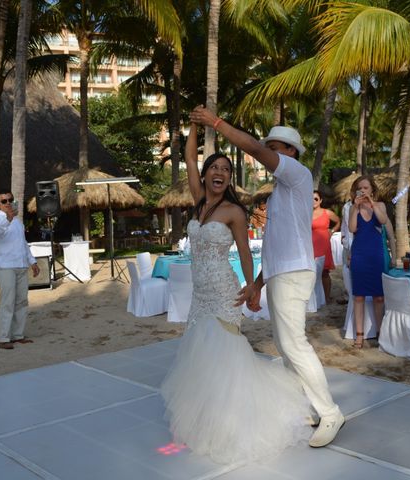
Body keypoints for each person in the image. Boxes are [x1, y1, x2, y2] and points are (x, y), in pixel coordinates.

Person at [190, 106, 345, 449]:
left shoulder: (299, 174)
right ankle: (308, 407)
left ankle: (330, 412)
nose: (269, 153)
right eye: (270, 146)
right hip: (279, 273)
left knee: (294, 344)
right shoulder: (279, 194)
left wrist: (216, 124)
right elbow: (274, 246)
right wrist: (257, 285)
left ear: (291, 153)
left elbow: (254, 150)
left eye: (276, 147)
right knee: (288, 348)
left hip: (293, 273)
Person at [160, 121, 312, 464]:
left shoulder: (234, 212)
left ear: (229, 179)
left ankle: (233, 421)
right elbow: (188, 157)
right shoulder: (199, 202)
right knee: (201, 355)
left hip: (225, 292)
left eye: (226, 170)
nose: (219, 173)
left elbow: (245, 252)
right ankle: (207, 417)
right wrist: (196, 128)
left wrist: (251, 287)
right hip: (200, 294)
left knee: (225, 354)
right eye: (214, 167)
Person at [0, 191, 39, 350]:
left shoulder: (18, 222)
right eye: (4, 201)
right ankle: (3, 338)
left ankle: (18, 335)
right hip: (6, 266)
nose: (8, 203)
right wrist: (8, 218)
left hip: (21, 265)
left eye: (10, 200)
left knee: (22, 301)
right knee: (7, 302)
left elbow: (23, 243)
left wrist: (32, 261)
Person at [348, 175, 388, 348]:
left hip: (376, 254)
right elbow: (351, 229)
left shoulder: (379, 205)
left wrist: (371, 203)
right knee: (359, 296)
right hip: (359, 253)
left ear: (372, 189)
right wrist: (355, 208)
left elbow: (383, 220)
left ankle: (380, 332)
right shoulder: (353, 208)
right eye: (360, 188)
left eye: (366, 188)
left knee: (379, 297)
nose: (363, 190)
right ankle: (359, 335)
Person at [312, 190, 340, 303]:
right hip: (310, 245)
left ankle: (327, 297)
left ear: (321, 200)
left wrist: (332, 231)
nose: (313, 201)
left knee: (324, 272)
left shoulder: (327, 213)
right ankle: (313, 298)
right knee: (312, 271)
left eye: (316, 199)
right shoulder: (306, 213)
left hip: (323, 244)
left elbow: (338, 221)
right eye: (311, 199)